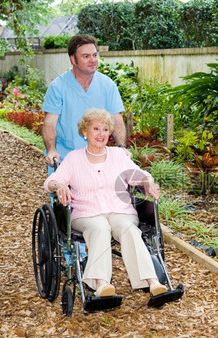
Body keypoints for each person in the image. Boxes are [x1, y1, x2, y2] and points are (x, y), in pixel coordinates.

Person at [44, 108, 168, 299]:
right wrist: (59, 186)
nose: (101, 134)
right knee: (100, 227)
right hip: (87, 213)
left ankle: (152, 281)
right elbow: (51, 182)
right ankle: (101, 284)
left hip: (119, 210)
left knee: (128, 228)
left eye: (105, 129)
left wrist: (147, 181)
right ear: (85, 132)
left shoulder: (118, 156)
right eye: (95, 129)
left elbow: (138, 175)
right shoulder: (74, 158)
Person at [42, 34, 126, 173]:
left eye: (94, 55)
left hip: (98, 160)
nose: (93, 60)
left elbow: (116, 118)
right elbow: (50, 123)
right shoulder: (57, 87)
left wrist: (121, 147)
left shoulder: (107, 85)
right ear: (73, 59)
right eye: (86, 56)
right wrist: (52, 150)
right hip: (65, 159)